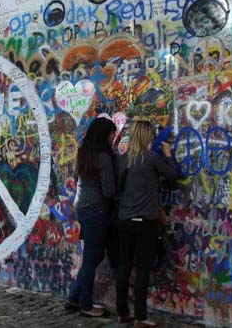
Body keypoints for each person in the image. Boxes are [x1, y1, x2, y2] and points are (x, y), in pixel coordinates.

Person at [115, 120, 178, 326]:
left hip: (124, 220)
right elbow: (172, 177)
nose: (153, 138)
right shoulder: (151, 159)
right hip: (145, 222)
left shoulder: (122, 160)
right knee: (143, 269)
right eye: (151, 135)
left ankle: (123, 311)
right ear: (146, 136)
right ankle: (141, 317)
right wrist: (168, 155)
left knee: (123, 267)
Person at [66, 117, 117, 317]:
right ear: (105, 134)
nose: (114, 137)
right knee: (91, 258)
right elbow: (109, 190)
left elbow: (80, 179)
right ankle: (85, 305)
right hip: (96, 209)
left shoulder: (83, 152)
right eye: (113, 133)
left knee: (93, 256)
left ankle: (74, 296)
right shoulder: (104, 157)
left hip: (82, 207)